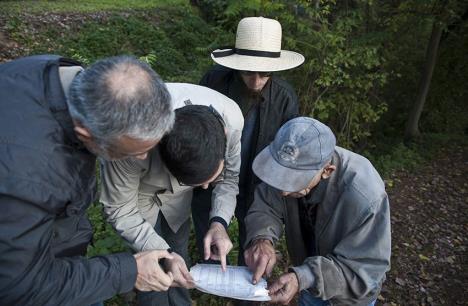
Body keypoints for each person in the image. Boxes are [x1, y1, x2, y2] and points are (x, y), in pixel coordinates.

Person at [0, 55, 176, 305]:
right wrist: (129, 272)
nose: (144, 157)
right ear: (86, 133)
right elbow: (19, 286)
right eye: (130, 151)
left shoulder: (61, 77)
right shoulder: (26, 178)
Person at [99, 83, 243, 306]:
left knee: (179, 250)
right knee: (154, 265)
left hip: (178, 202)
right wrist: (162, 254)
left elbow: (230, 179)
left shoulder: (231, 121)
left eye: (210, 178)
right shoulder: (128, 137)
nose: (206, 188)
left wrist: (219, 223)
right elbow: (120, 208)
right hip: (138, 195)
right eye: (197, 182)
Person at [191, 16, 305, 271]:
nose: (255, 81)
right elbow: (195, 129)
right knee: (209, 243)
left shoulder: (285, 98)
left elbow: (289, 151)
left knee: (252, 252)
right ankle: (212, 281)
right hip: (211, 181)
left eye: (264, 74)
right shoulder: (214, 82)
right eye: (247, 72)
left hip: (257, 187)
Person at [244, 117, 391, 306]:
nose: (284, 190)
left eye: (294, 180)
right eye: (282, 175)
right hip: (309, 281)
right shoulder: (286, 164)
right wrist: (262, 238)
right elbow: (266, 204)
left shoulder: (365, 195)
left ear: (327, 171)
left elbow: (365, 270)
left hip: (350, 296)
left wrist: (303, 277)